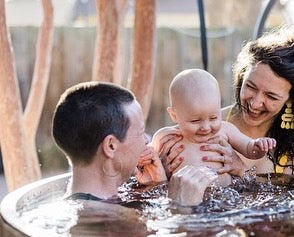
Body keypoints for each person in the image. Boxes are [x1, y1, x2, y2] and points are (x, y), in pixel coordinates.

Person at [158, 25, 294, 179]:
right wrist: (164, 171)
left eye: (271, 96)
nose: (255, 103)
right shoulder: (214, 122)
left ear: (290, 98)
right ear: (241, 79)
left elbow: (289, 201)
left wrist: (241, 169)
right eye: (251, 87)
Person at [52, 81, 215, 205]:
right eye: (140, 133)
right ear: (111, 146)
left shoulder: (95, 203)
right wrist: (180, 206)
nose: (146, 140)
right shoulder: (101, 221)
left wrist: (157, 186)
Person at [151, 68, 277, 186]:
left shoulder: (225, 130)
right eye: (195, 121)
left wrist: (259, 146)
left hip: (223, 199)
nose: (206, 127)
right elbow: (146, 161)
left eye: (213, 118)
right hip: (184, 198)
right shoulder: (165, 137)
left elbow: (249, 149)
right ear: (174, 115)